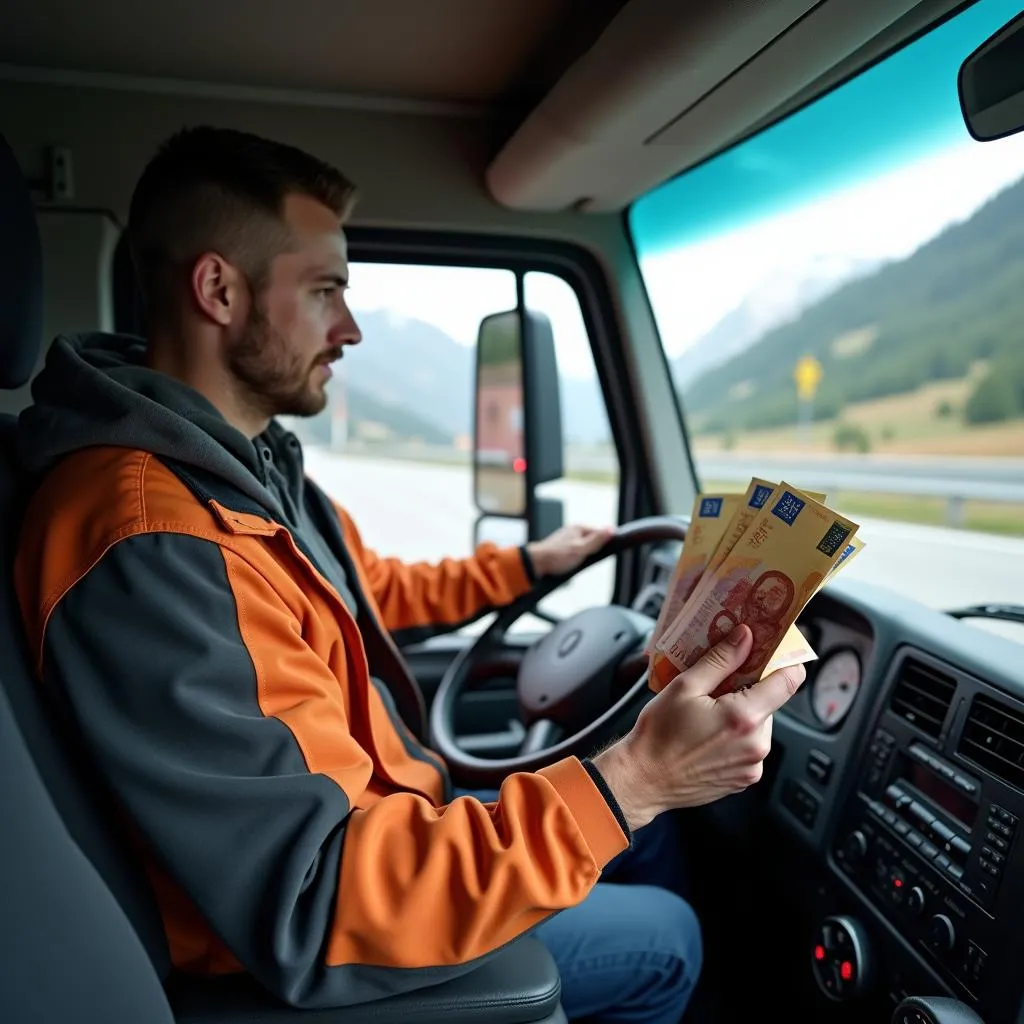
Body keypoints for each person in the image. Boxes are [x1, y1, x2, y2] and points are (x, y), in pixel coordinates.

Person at [13, 127, 805, 1024]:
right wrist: (636, 778)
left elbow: (362, 596)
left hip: (387, 823)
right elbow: (312, 901)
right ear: (218, 290)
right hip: (322, 925)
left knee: (656, 848)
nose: (349, 328)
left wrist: (529, 565)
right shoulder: (152, 540)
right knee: (667, 936)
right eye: (324, 293)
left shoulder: (246, 472)